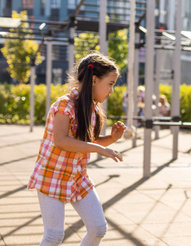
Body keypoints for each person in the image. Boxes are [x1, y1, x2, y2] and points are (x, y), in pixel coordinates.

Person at [28, 52, 126, 246]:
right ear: (94, 80)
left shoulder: (93, 110)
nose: (111, 91)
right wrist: (98, 149)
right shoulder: (65, 105)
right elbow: (62, 140)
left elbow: (87, 141)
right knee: (54, 235)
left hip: (77, 177)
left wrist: (111, 139)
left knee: (98, 228)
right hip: (52, 176)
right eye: (110, 84)